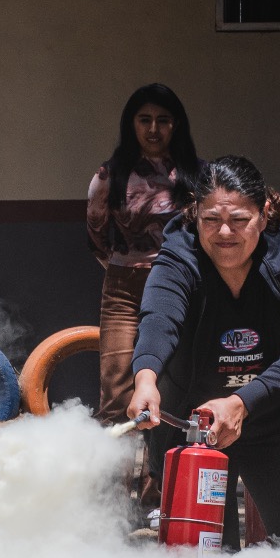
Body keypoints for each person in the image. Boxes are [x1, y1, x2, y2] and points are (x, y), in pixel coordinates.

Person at [128, 156, 280, 549]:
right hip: (191, 423)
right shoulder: (179, 252)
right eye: (210, 220)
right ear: (195, 212)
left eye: (239, 219)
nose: (224, 233)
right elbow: (159, 317)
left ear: (264, 211)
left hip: (275, 417)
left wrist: (241, 402)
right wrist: (146, 377)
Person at [87, 83, 200, 427]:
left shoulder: (199, 175)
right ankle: (113, 483)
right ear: (130, 124)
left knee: (171, 389)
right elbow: (96, 237)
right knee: (115, 389)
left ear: (176, 124)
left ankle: (160, 483)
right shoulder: (109, 175)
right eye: (144, 119)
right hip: (124, 287)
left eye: (163, 120)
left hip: (180, 288)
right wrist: (127, 264)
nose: (154, 129)